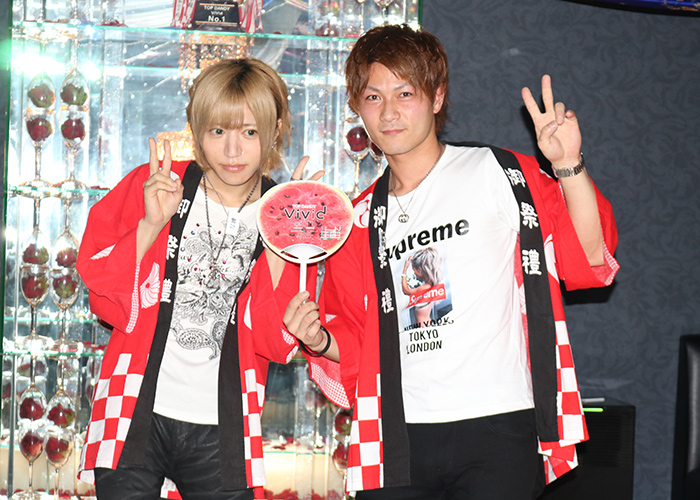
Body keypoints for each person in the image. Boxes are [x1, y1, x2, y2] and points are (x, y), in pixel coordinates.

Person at [284, 24, 619, 499]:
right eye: (374, 97)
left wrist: (568, 166)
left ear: (437, 96)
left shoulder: (494, 171)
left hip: (498, 424)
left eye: (405, 93)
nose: (389, 112)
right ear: (357, 107)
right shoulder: (358, 217)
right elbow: (357, 340)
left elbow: (586, 255)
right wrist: (318, 340)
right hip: (396, 432)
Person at [76, 58, 333, 500]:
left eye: (249, 132)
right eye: (217, 131)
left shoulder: (285, 216)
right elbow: (99, 288)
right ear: (196, 130)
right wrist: (150, 225)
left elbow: (274, 341)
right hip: (133, 410)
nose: (232, 151)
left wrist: (280, 240)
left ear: (275, 131)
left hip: (225, 426)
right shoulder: (158, 184)